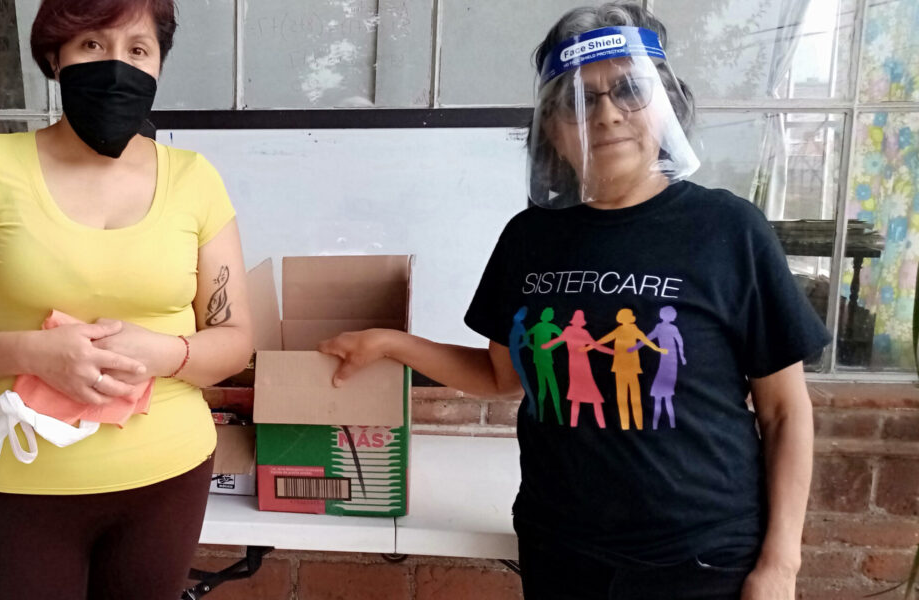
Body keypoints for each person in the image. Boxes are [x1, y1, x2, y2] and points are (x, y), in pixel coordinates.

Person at [319, 3, 827, 598]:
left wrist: (780, 566)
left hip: (700, 559)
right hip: (561, 550)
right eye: (579, 102)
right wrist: (390, 343)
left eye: (629, 91)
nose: (607, 114)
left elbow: (785, 411)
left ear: (665, 107)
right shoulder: (529, 238)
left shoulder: (729, 230)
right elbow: (502, 375)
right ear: (553, 132)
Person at [0, 1, 253, 597]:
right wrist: (36, 353)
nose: (117, 67)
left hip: (168, 476)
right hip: (22, 483)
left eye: (138, 50)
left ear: (159, 65)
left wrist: (162, 353)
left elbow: (235, 340)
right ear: (55, 55)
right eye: (93, 45)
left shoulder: (195, 179)